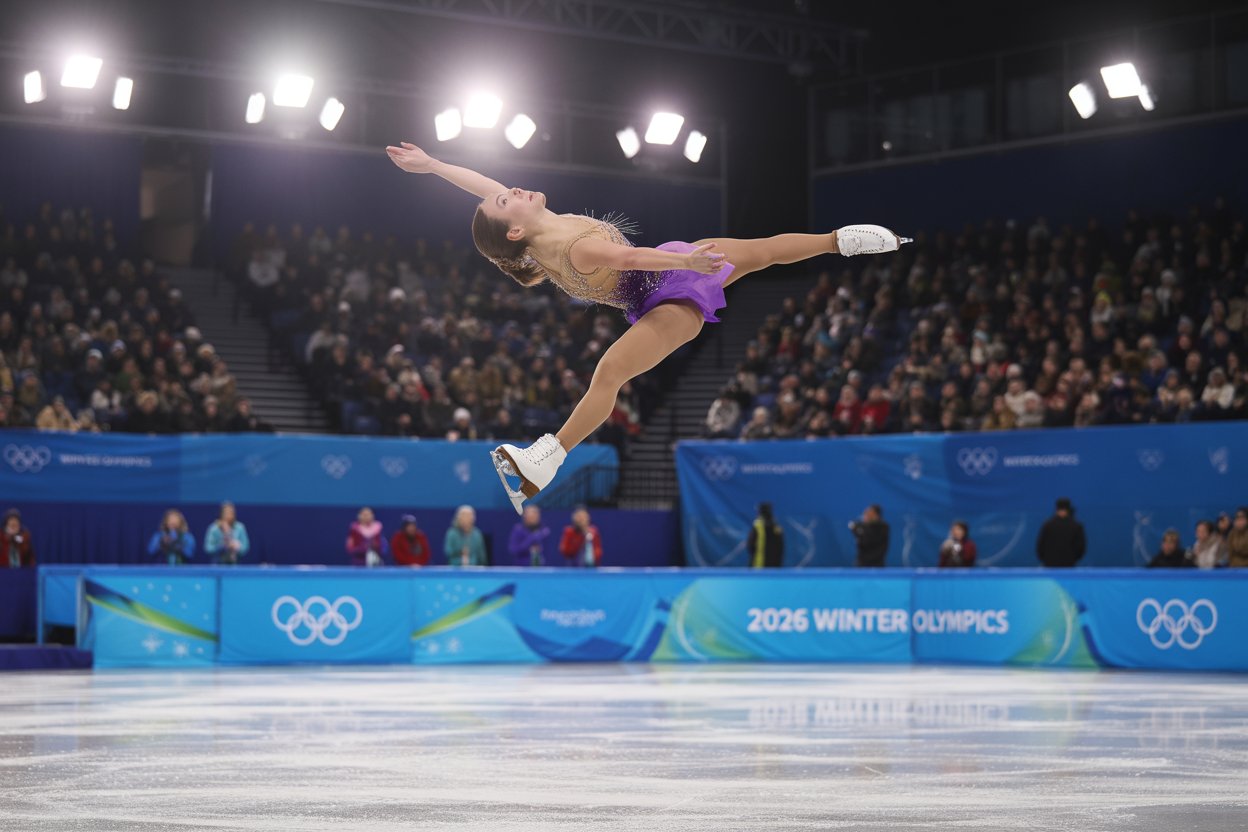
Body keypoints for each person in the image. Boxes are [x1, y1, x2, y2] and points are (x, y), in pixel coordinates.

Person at [386, 142, 908, 513]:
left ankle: (842, 240)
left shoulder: (533, 230)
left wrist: (432, 165)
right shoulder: (567, 246)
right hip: (667, 291)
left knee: (763, 251)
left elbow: (484, 187)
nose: (511, 188)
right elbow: (630, 257)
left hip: (668, 272)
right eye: (506, 200)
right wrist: (687, 264)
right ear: (515, 228)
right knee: (610, 370)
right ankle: (547, 456)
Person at [1035, 497, 1086, 568]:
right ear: (1068, 509)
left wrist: (1046, 559)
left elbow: (1040, 546)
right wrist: (1073, 559)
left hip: (1050, 564)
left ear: (1056, 509)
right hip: (1069, 564)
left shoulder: (1048, 525)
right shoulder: (1076, 526)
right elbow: (1080, 547)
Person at [746, 502, 784, 569]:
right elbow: (781, 547)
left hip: (758, 564)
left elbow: (750, 545)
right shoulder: (776, 526)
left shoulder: (757, 525)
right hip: (774, 564)